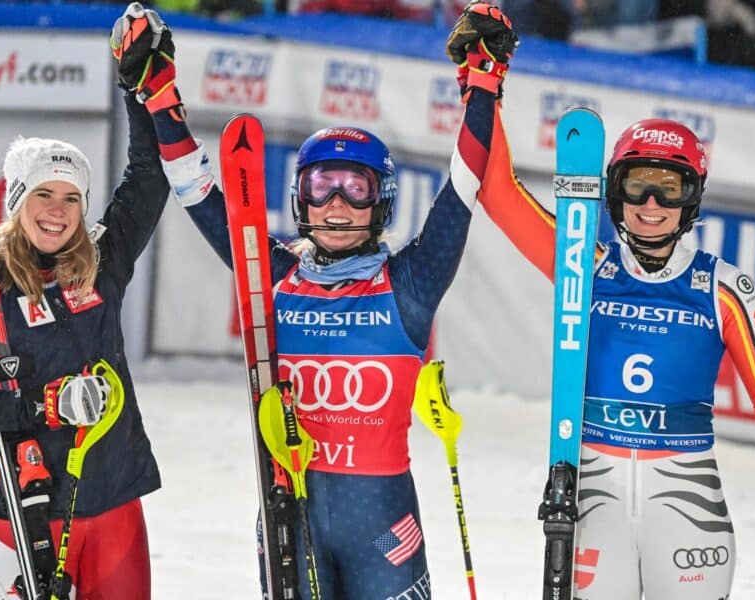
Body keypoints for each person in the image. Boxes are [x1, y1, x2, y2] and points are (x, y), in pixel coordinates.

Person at [154, 2, 513, 597]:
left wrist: (483, 84)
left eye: (357, 187)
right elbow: (199, 197)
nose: (338, 203)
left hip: (385, 531)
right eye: (322, 186)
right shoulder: (273, 275)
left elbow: (463, 188)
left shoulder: (412, 283)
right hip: (292, 520)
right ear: (300, 200)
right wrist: (160, 98)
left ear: (382, 203)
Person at [475, 112, 755, 598]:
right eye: (637, 185)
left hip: (687, 507)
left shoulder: (722, 287)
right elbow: (498, 194)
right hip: (595, 500)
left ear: (693, 197)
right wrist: (483, 86)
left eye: (670, 187)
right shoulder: (581, 264)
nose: (652, 204)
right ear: (614, 192)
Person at [0, 4, 191, 598]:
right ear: (18, 200)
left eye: (72, 198)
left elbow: (148, 175)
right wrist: (43, 406)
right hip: (27, 510)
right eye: (43, 193)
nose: (58, 210)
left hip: (115, 496)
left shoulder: (102, 259)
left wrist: (136, 85)